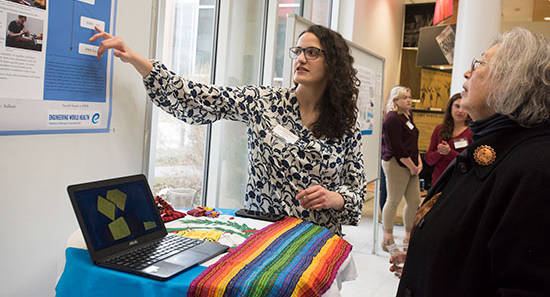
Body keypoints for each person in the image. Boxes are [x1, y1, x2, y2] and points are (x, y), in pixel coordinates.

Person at [89, 24, 367, 237]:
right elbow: (198, 96)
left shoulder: (345, 124)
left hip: (317, 240)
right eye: (298, 51)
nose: (301, 59)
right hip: (264, 235)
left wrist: (336, 198)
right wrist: (137, 59)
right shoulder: (264, 102)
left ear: (333, 64)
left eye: (312, 52)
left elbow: (356, 193)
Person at [391, 27, 550, 296]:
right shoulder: (489, 148)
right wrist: (427, 261)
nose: (467, 72)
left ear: (513, 79)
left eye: (479, 64)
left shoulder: (537, 169)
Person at [380, 86, 421, 252]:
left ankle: (408, 235)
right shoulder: (391, 119)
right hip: (396, 162)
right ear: (396, 100)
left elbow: (412, 142)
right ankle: (387, 239)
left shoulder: (407, 115)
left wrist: (418, 163)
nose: (409, 100)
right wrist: (412, 166)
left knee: (414, 200)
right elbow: (397, 147)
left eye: (410, 97)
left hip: (411, 163)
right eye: (405, 97)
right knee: (393, 200)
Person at [424, 92, 473, 185]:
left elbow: (470, 163)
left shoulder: (472, 132)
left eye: (464, 107)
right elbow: (429, 160)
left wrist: (449, 153)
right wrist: (439, 152)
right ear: (450, 107)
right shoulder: (439, 129)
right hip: (438, 181)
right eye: (457, 106)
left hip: (459, 181)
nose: (460, 111)